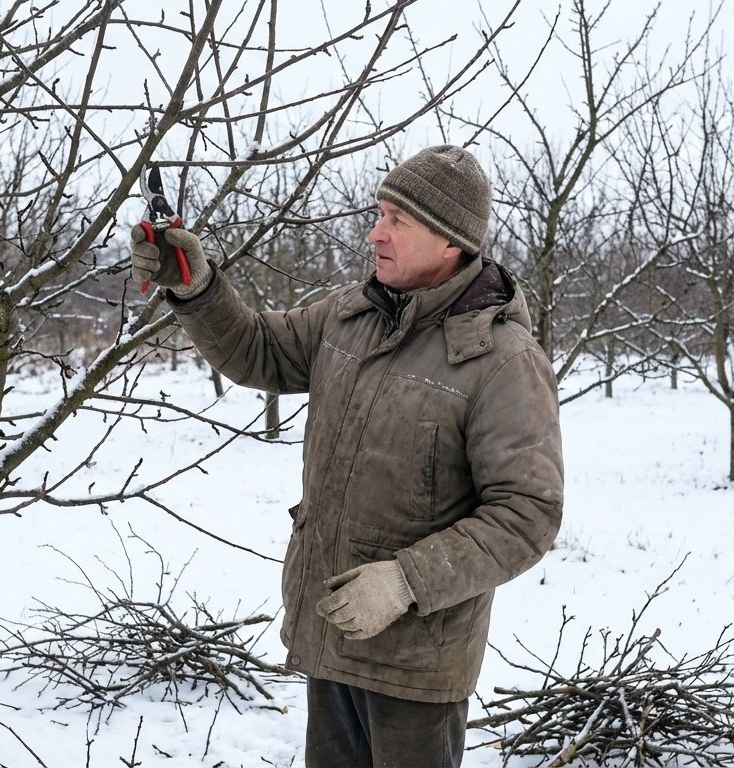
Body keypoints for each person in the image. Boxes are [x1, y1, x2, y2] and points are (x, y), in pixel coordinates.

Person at [131, 145, 564, 767]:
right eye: (379, 212)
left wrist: (406, 581)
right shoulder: (350, 316)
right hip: (335, 629)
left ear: (449, 241)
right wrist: (198, 290)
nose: (375, 232)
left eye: (396, 220)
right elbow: (260, 349)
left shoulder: (503, 362)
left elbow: (527, 515)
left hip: (416, 663)